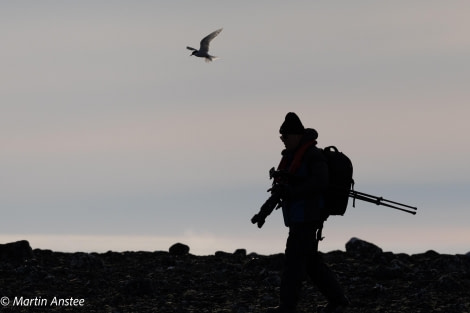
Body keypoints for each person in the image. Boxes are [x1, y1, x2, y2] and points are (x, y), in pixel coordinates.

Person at [262, 112, 349, 313]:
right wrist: (263, 213)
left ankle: (287, 306)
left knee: (293, 261)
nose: (282, 140)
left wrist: (294, 191)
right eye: (280, 137)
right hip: (299, 216)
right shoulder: (292, 156)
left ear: (295, 135)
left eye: (284, 136)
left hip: (308, 217)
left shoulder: (312, 155)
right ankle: (338, 301)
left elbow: (320, 182)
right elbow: (281, 190)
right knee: (310, 262)